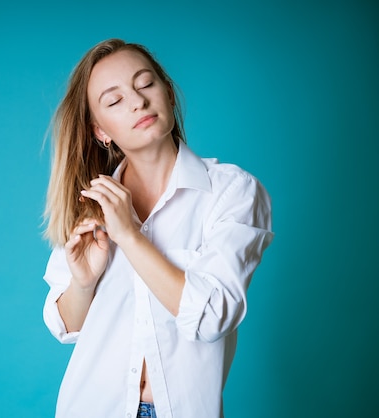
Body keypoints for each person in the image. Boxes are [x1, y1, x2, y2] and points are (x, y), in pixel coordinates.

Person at [41, 38, 273, 418]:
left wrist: (130, 236)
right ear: (101, 131)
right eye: (114, 101)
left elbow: (213, 316)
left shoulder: (231, 192)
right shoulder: (93, 203)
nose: (137, 102)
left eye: (145, 84)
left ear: (166, 91)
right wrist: (83, 283)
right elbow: (64, 326)